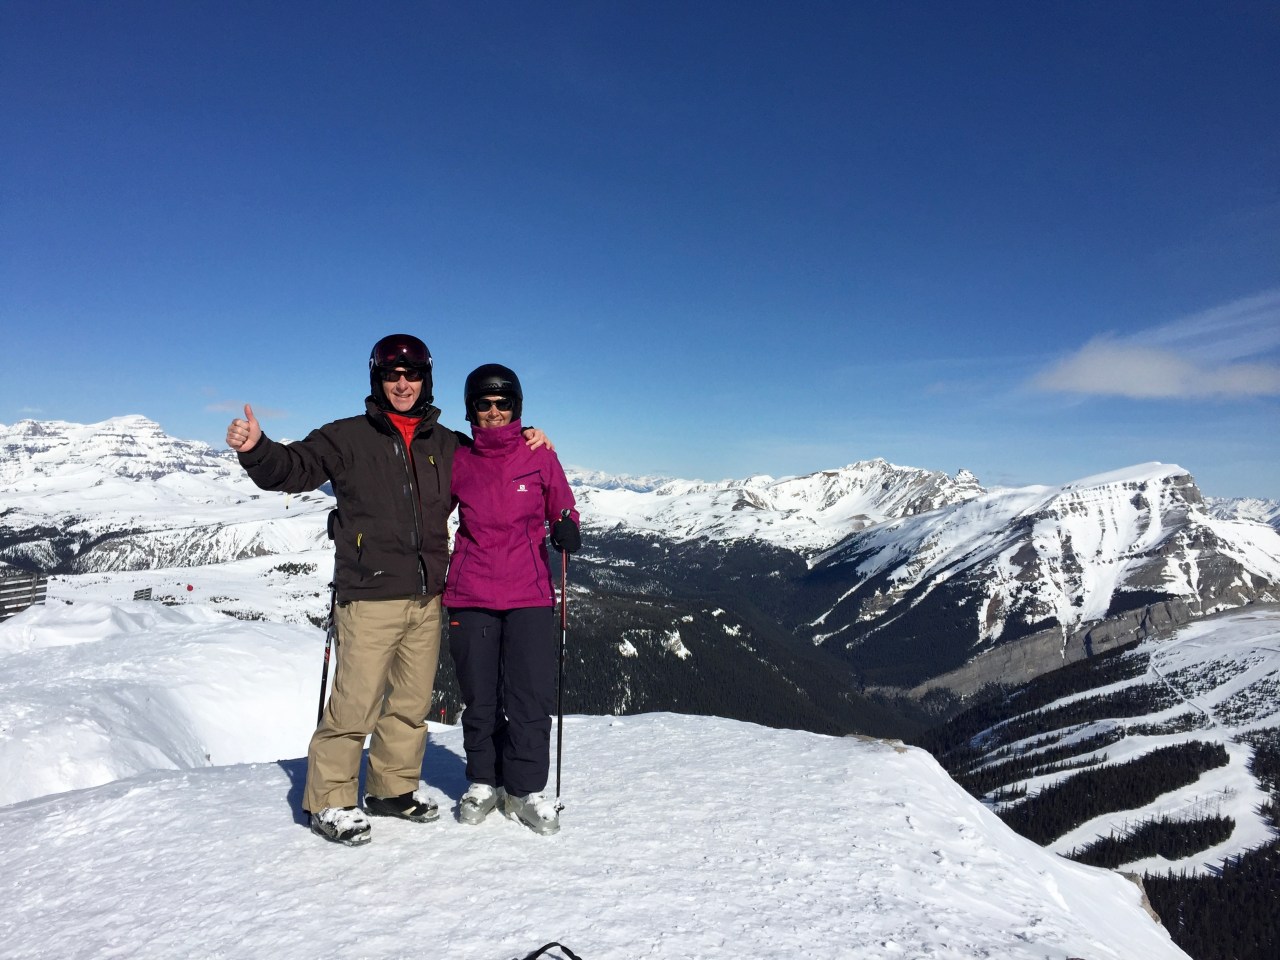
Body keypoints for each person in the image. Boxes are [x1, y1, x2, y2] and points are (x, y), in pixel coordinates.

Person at [225, 335, 550, 847]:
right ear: (377, 379)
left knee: (409, 702)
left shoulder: (446, 443)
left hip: (427, 596)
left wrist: (529, 436)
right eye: (392, 375)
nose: (403, 383)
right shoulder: (347, 437)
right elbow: (295, 468)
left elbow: (496, 456)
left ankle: (391, 790)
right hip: (369, 594)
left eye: (413, 374)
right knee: (354, 704)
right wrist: (256, 451)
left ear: (426, 379)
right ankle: (330, 800)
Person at [445, 363, 581, 835]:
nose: (494, 411)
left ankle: (523, 790)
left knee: (529, 696)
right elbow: (419, 503)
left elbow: (562, 503)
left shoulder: (539, 455)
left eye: (504, 403)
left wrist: (566, 524)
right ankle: (484, 780)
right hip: (472, 591)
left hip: (528, 593)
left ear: (517, 408)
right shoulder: (458, 458)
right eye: (484, 404)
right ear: (471, 410)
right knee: (480, 696)